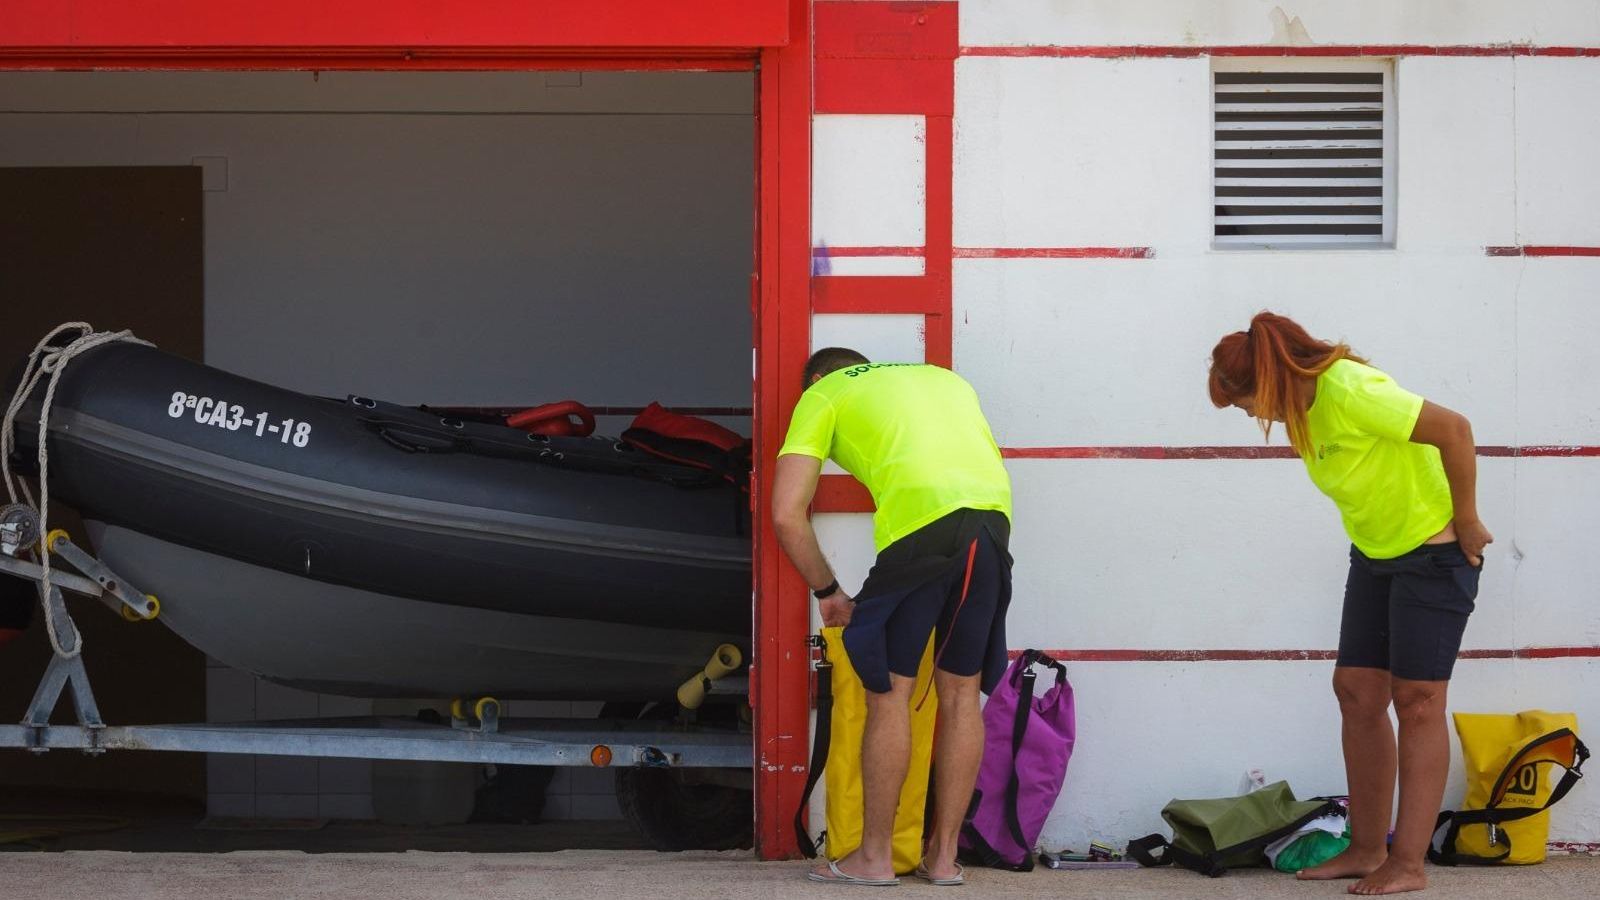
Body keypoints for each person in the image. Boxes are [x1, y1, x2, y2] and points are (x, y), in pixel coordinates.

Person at [1208, 312, 1490, 896]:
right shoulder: (1300, 411)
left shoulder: (1352, 390)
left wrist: (1467, 521)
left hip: (1433, 556)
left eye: (1246, 404)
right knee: (1358, 692)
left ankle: (1408, 864)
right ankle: (1366, 849)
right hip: (1376, 557)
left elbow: (1455, 430)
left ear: (1267, 378)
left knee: (1417, 702)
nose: (1254, 416)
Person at [772, 348, 1013, 887]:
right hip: (992, 524)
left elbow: (787, 515)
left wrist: (829, 591)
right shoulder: (944, 379)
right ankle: (945, 860)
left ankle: (874, 858)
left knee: (889, 692)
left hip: (923, 528)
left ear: (816, 378)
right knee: (960, 693)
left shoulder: (823, 393)